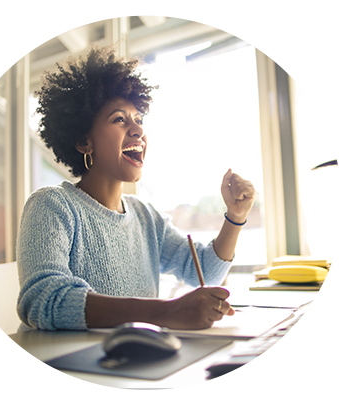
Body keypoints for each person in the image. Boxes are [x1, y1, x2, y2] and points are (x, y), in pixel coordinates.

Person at [16, 45, 256, 332]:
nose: (138, 130)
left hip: (132, 363)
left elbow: (204, 272)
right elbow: (43, 301)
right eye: (119, 119)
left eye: (139, 120)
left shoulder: (146, 217)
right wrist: (166, 312)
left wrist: (235, 216)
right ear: (83, 141)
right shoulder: (52, 205)